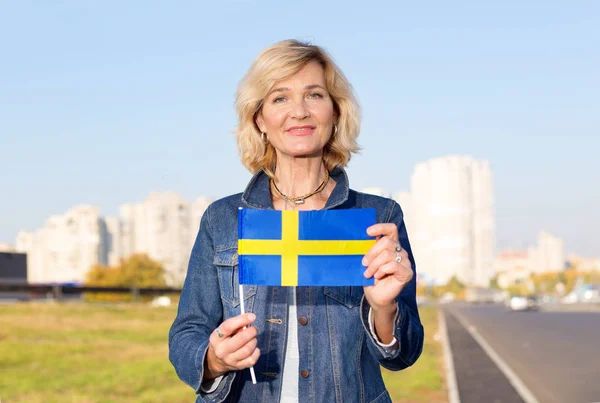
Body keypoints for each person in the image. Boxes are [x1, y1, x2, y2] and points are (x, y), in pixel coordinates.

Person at [169, 39, 424, 403]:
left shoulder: (378, 219)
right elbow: (186, 333)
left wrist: (384, 308)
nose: (300, 111)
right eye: (280, 98)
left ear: (336, 112)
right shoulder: (222, 219)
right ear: (259, 119)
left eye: (315, 95)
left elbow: (405, 354)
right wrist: (213, 358)